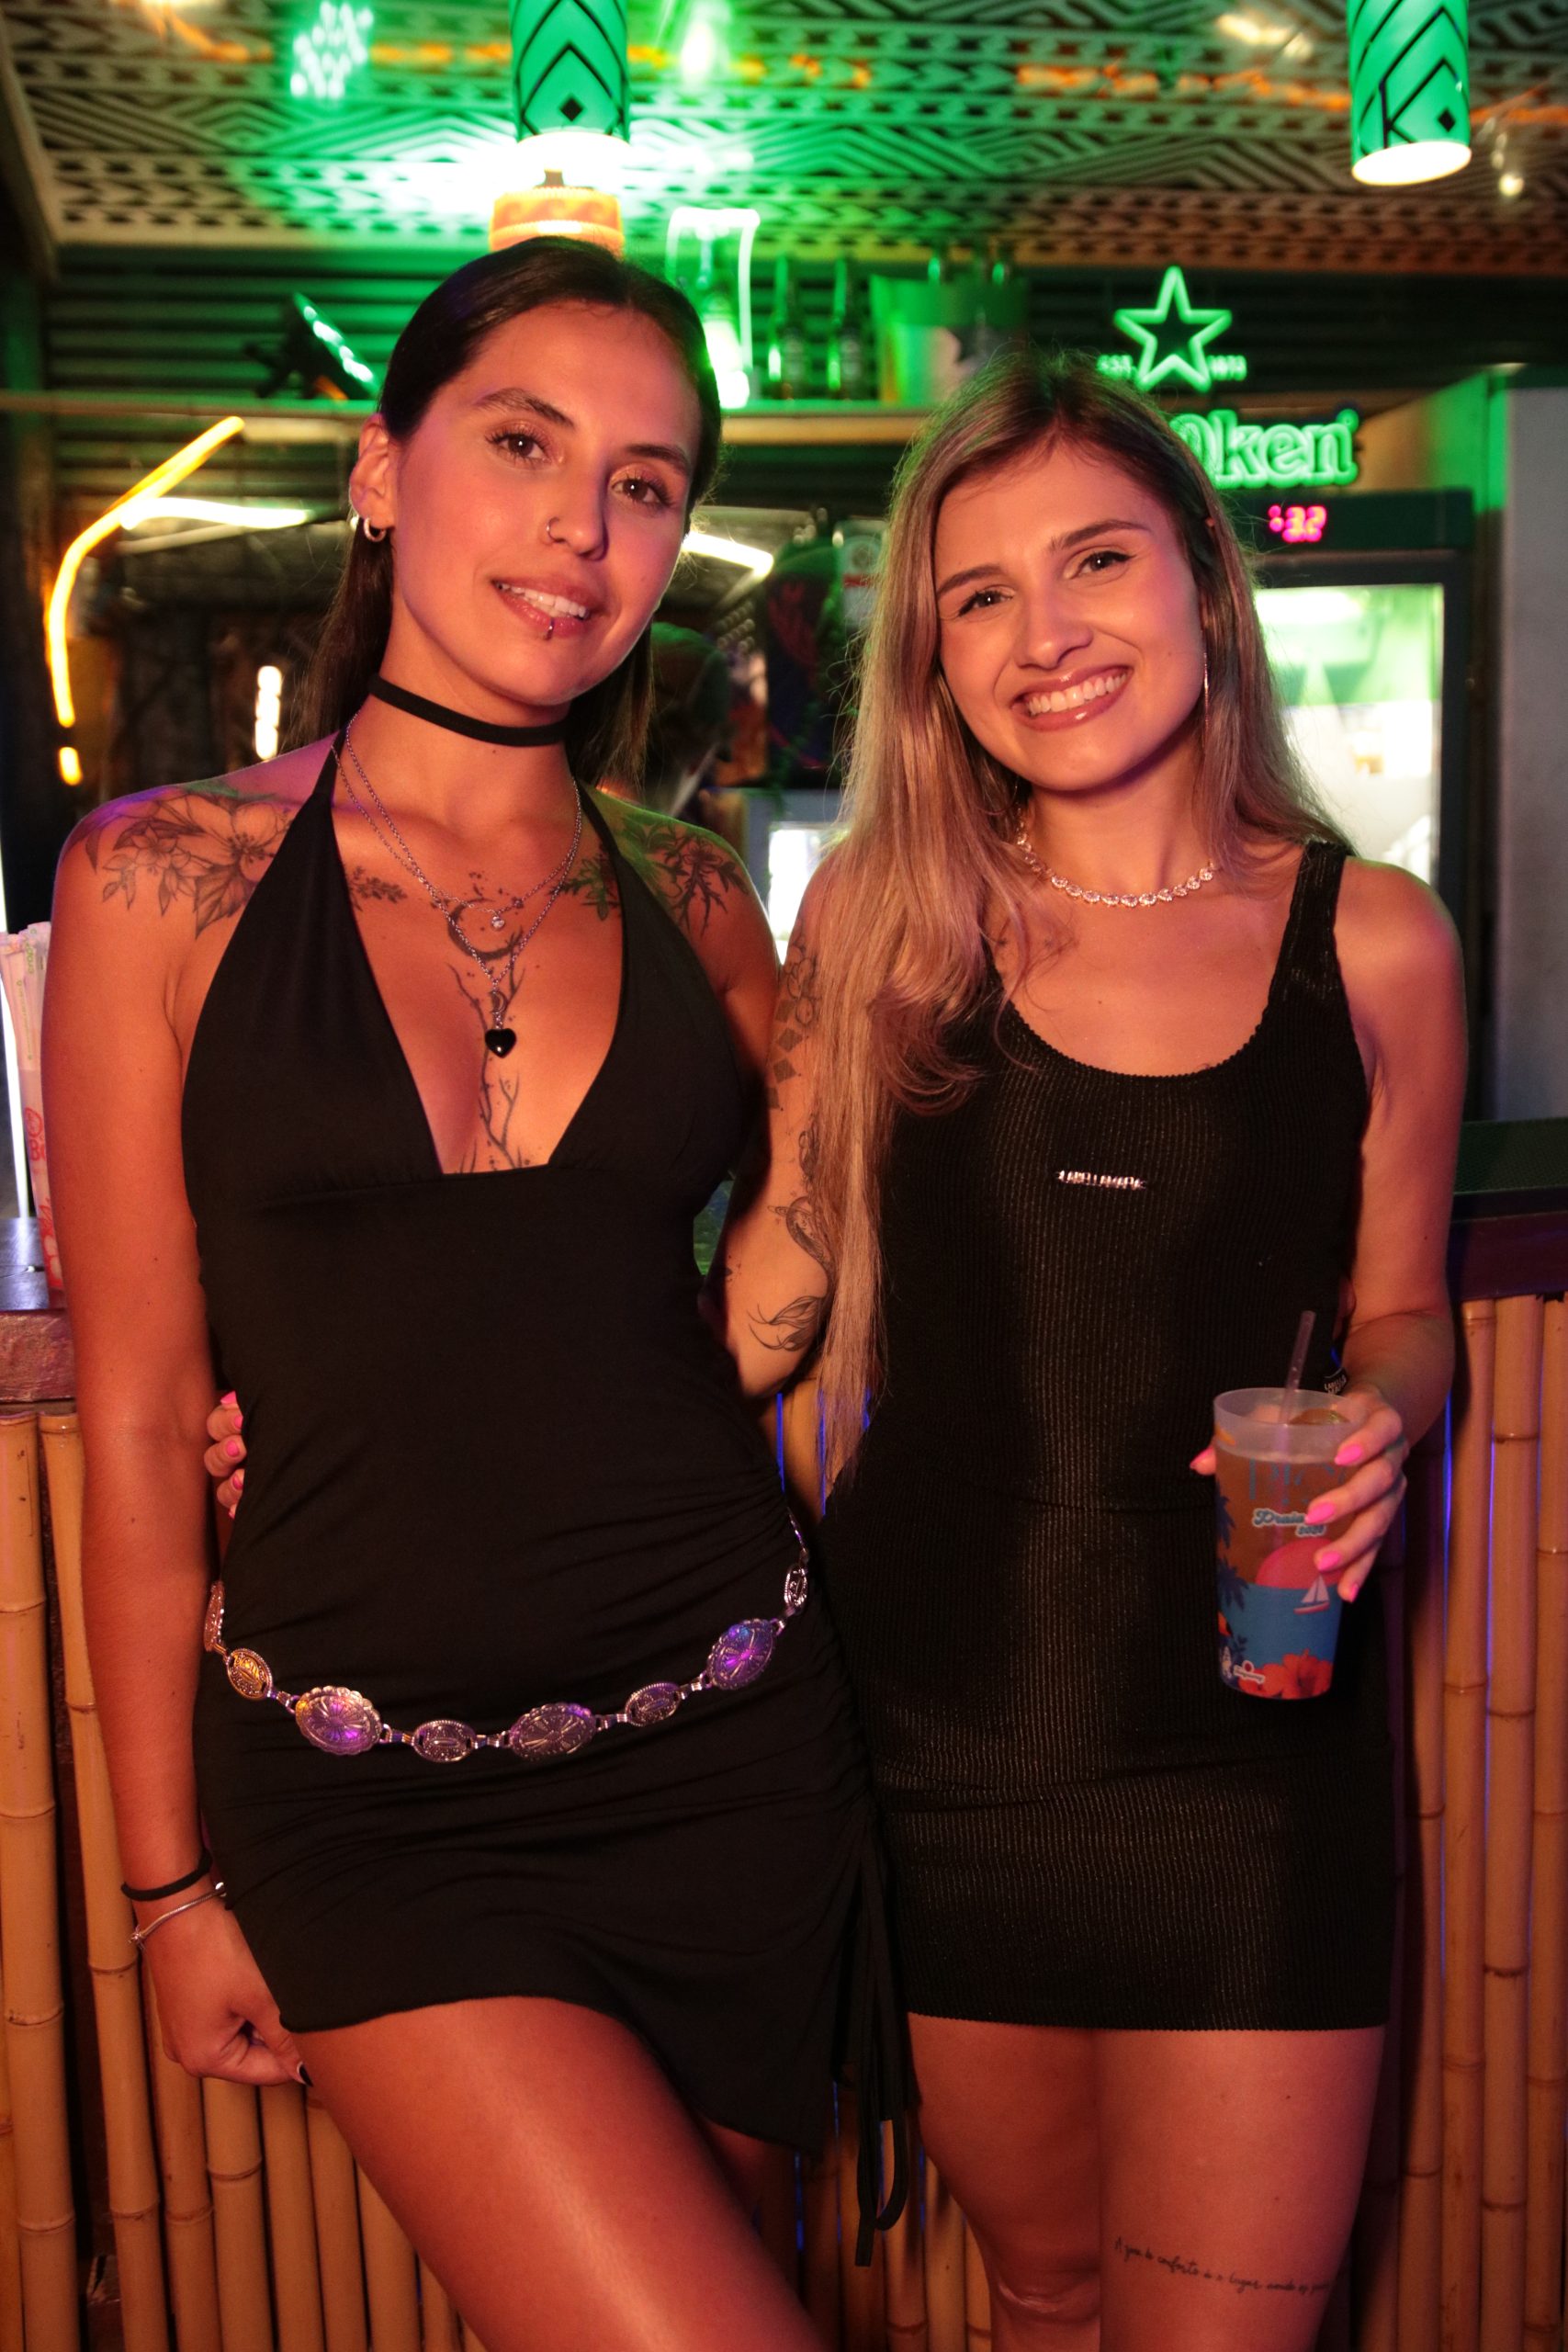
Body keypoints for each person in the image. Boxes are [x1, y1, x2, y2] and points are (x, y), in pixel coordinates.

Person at [44, 237, 897, 2352]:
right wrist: (164, 1883)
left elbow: (794, 1286)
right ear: (379, 469)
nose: (581, 523)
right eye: (522, 443)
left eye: (644, 482)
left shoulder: (696, 894)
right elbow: (141, 1410)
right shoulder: (156, 880)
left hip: (729, 1748)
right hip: (370, 1801)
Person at [716, 353, 1465, 2351]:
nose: (1043, 632)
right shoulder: (880, 920)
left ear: (1202, 584)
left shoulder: (1375, 941)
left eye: (1097, 561)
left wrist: (1379, 1420)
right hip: (941, 1735)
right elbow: (777, 1291)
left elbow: (1401, 1306)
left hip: (1254, 1747)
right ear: (934, 662)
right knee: (1042, 2299)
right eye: (979, 594)